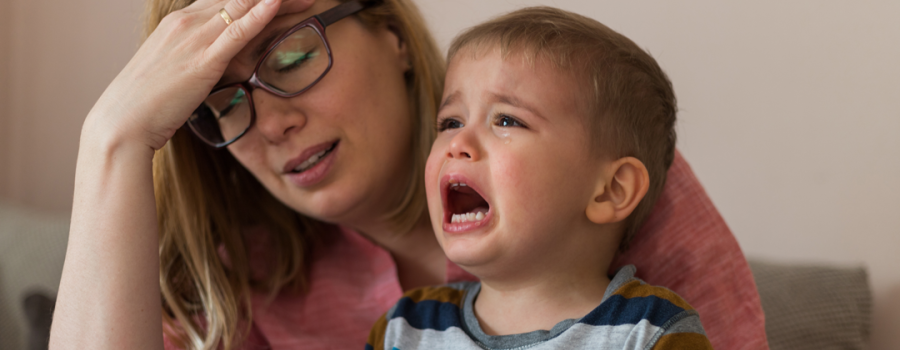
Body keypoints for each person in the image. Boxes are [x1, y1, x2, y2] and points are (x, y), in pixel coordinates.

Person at [49, 0, 767, 349]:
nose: (270, 123)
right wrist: (109, 140)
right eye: (224, 104)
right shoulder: (237, 282)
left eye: (293, 57)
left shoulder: (598, 171)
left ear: (391, 34)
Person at [365, 7, 712, 349]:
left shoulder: (653, 333)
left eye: (506, 121)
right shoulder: (404, 327)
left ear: (610, 190)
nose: (457, 144)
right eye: (451, 122)